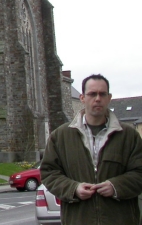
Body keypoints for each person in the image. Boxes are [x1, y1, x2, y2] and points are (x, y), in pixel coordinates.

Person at [41, 74, 142, 225]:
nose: (98, 98)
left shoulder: (128, 135)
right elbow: (49, 173)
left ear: (109, 98)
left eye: (102, 94)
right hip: (78, 219)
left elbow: (139, 173)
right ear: (82, 98)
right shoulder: (60, 136)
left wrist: (115, 186)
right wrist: (74, 188)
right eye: (92, 94)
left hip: (121, 219)